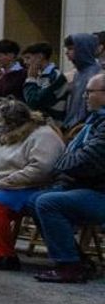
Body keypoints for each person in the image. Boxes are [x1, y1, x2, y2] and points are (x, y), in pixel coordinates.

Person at [0, 100, 62, 272]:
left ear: (13, 123)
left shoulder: (43, 135)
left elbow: (41, 168)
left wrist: (8, 181)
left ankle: (5, 255)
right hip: (4, 183)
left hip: (31, 186)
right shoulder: (11, 135)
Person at [29, 72, 105, 283]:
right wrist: (66, 163)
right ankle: (77, 259)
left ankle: (69, 266)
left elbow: (86, 161)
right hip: (86, 185)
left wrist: (62, 163)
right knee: (35, 200)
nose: (84, 96)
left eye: (90, 92)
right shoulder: (95, 121)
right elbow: (74, 159)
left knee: (48, 202)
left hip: (99, 192)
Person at [61, 33, 101, 129]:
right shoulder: (78, 73)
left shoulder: (95, 74)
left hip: (85, 127)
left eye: (71, 49)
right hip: (72, 126)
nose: (67, 52)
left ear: (83, 49)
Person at [21, 42, 68, 123]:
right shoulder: (39, 75)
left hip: (53, 123)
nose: (25, 62)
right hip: (40, 121)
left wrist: (30, 79)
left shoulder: (54, 76)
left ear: (40, 57)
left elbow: (34, 102)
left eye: (28, 58)